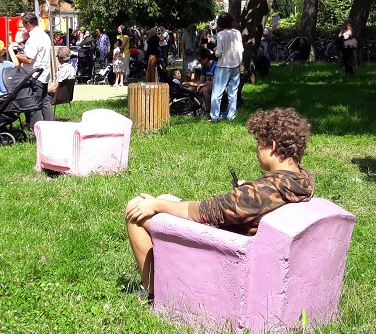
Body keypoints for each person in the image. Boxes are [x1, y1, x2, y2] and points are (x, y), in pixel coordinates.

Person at [124, 108, 315, 295]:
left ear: (272, 146)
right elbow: (260, 198)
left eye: (259, 143)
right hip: (247, 234)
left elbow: (205, 211)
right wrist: (248, 189)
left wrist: (155, 205)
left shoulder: (258, 194)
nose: (256, 148)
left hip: (227, 245)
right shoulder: (301, 180)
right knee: (166, 198)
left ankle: (152, 291)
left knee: (137, 209)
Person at [14, 12, 53, 127]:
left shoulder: (34, 38)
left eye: (24, 25)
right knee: (44, 102)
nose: (24, 28)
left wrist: (16, 56)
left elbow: (29, 59)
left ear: (29, 24)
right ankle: (51, 125)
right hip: (44, 73)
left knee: (34, 104)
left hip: (35, 75)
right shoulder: (44, 35)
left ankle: (35, 129)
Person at [211, 13, 243, 122]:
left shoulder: (221, 35)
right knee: (233, 92)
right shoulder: (237, 33)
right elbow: (241, 49)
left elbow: (218, 53)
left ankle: (214, 116)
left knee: (217, 92)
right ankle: (231, 116)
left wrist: (215, 51)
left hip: (223, 65)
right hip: (235, 65)